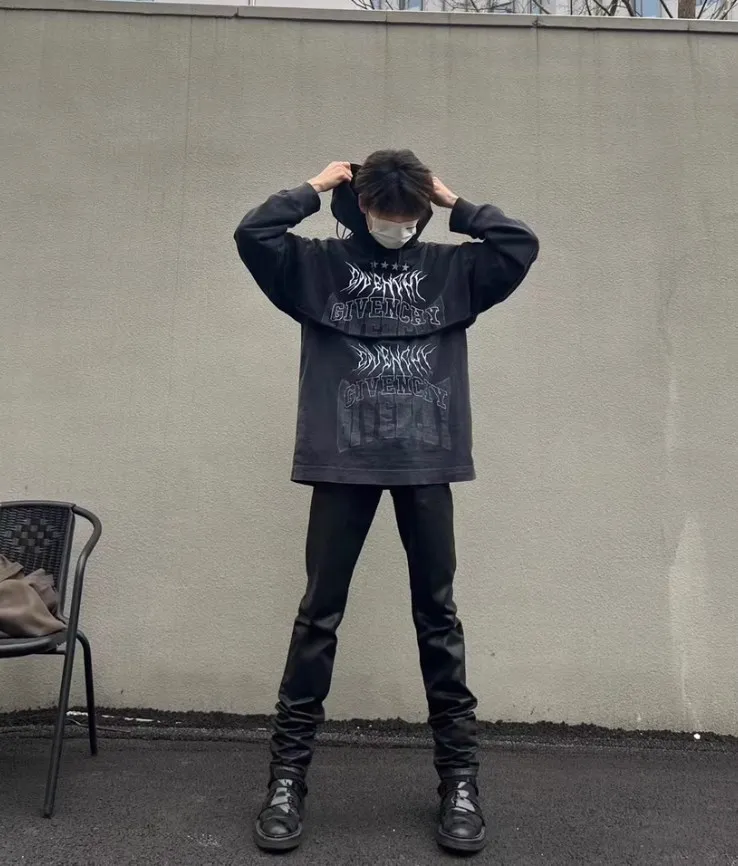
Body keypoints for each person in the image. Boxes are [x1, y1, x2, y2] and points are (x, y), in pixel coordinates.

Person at [234, 150, 539, 855]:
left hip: (426, 461)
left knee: (438, 615)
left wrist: (456, 202)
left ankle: (460, 781)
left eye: (410, 215)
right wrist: (316, 186)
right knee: (318, 616)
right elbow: (253, 234)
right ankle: (286, 780)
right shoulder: (316, 266)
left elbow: (519, 245)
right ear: (360, 205)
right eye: (385, 212)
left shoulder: (452, 270)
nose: (398, 226)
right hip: (341, 462)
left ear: (423, 211)